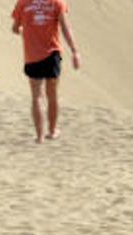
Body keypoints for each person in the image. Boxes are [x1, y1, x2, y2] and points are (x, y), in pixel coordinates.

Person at [11, 0, 81, 143]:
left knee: (36, 96)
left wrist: (25, 30)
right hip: (52, 55)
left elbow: (14, 28)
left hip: (32, 56)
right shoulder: (57, 2)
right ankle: (52, 130)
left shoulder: (23, 3)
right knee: (52, 95)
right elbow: (65, 27)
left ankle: (39, 136)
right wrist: (75, 51)